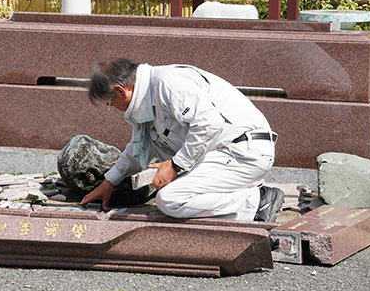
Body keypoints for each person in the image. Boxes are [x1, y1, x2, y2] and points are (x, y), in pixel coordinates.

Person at [80, 58, 285, 222]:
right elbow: (138, 149)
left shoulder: (168, 82)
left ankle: (257, 201)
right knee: (171, 192)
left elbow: (210, 123)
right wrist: (109, 182)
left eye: (109, 103)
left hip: (244, 150)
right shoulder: (147, 99)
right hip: (225, 154)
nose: (112, 109)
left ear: (120, 91)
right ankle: (240, 191)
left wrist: (176, 166)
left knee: (171, 199)